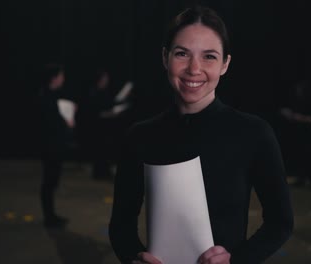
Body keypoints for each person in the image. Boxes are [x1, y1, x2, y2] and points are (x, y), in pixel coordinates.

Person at [108, 5, 294, 264]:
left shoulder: (253, 133)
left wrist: (236, 260)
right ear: (165, 57)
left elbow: (280, 221)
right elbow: (121, 225)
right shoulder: (140, 136)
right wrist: (133, 258)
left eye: (209, 56)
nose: (194, 69)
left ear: (225, 64)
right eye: (182, 54)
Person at [38, 63, 76, 228]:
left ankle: (51, 215)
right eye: (61, 76)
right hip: (50, 146)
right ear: (54, 78)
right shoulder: (47, 96)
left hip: (54, 145)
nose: (63, 79)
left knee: (51, 181)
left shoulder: (52, 95)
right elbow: (50, 123)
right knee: (49, 181)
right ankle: (49, 217)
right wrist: (67, 122)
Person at [279, 80, 311, 188]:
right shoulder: (297, 102)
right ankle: (301, 178)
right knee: (299, 155)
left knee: (309, 156)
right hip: (299, 133)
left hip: (309, 133)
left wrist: (296, 117)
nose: (299, 92)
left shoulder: (310, 102)